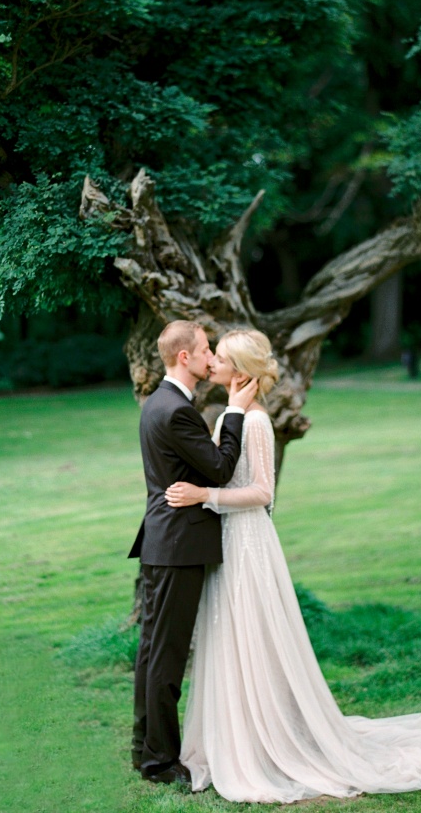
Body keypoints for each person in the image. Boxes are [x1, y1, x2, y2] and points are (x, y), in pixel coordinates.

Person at [165, 328, 421, 803]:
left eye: (221, 358)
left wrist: (204, 495)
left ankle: (267, 739)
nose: (213, 364)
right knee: (231, 634)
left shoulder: (257, 422)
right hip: (228, 538)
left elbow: (263, 492)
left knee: (253, 633)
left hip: (248, 542)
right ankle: (236, 734)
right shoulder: (233, 415)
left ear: (240, 371)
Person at [129, 320, 259, 785]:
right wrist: (236, 412)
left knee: (152, 652)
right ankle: (160, 762)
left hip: (163, 542)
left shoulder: (157, 403)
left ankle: (144, 748)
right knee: (166, 659)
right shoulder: (178, 411)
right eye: (205, 350)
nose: (210, 357)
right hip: (177, 545)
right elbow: (220, 469)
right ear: (184, 356)